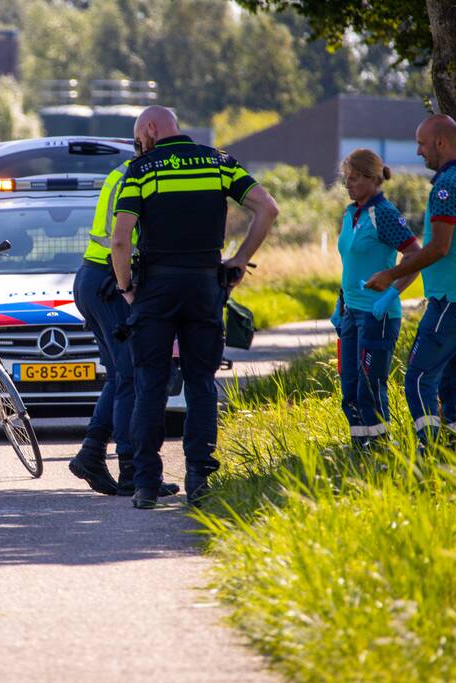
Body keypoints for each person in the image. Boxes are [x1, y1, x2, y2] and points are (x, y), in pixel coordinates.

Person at [111, 106, 279, 509]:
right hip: (205, 284)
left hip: (156, 288)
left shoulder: (142, 170)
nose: (139, 145)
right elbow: (268, 208)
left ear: (151, 129)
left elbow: (120, 240)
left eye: (138, 138)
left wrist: (125, 288)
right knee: (201, 382)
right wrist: (240, 259)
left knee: (151, 383)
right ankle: (199, 479)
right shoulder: (219, 163)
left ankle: (146, 485)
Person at [365, 114, 456, 447]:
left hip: (453, 298)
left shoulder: (447, 186)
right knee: (454, 378)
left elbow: (439, 247)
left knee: (419, 377)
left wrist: (391, 274)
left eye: (421, 144)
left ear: (440, 142)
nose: (418, 151)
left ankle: (430, 450)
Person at [69, 159, 178, 498]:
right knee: (131, 375)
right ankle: (132, 469)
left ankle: (91, 454)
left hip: (94, 278)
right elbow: (123, 240)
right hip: (111, 280)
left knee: (119, 376)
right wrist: (125, 283)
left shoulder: (124, 170)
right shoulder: (141, 173)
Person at [334, 150, 422, 448]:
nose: (348, 184)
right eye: (346, 179)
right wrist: (340, 303)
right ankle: (360, 448)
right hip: (350, 312)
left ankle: (381, 448)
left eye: (354, 178)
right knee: (349, 385)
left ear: (372, 179)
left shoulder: (383, 213)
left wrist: (392, 293)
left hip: (377, 314)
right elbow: (351, 264)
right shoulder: (351, 213)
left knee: (369, 386)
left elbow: (414, 255)